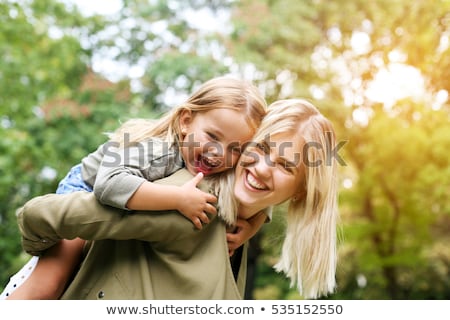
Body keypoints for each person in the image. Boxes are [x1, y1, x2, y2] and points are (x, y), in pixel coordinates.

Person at [11, 98, 339, 300]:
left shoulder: (239, 222)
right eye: (263, 149)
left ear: (300, 192)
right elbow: (42, 213)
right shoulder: (190, 200)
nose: (264, 169)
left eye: (285, 165)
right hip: (90, 185)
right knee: (44, 287)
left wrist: (253, 224)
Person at [0, 76, 268, 299]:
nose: (218, 153)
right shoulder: (159, 151)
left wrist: (253, 224)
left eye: (236, 149)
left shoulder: (218, 164)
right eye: (212, 136)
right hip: (86, 186)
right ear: (186, 121)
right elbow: (109, 185)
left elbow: (261, 192)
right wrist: (177, 199)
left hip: (120, 190)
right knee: (51, 282)